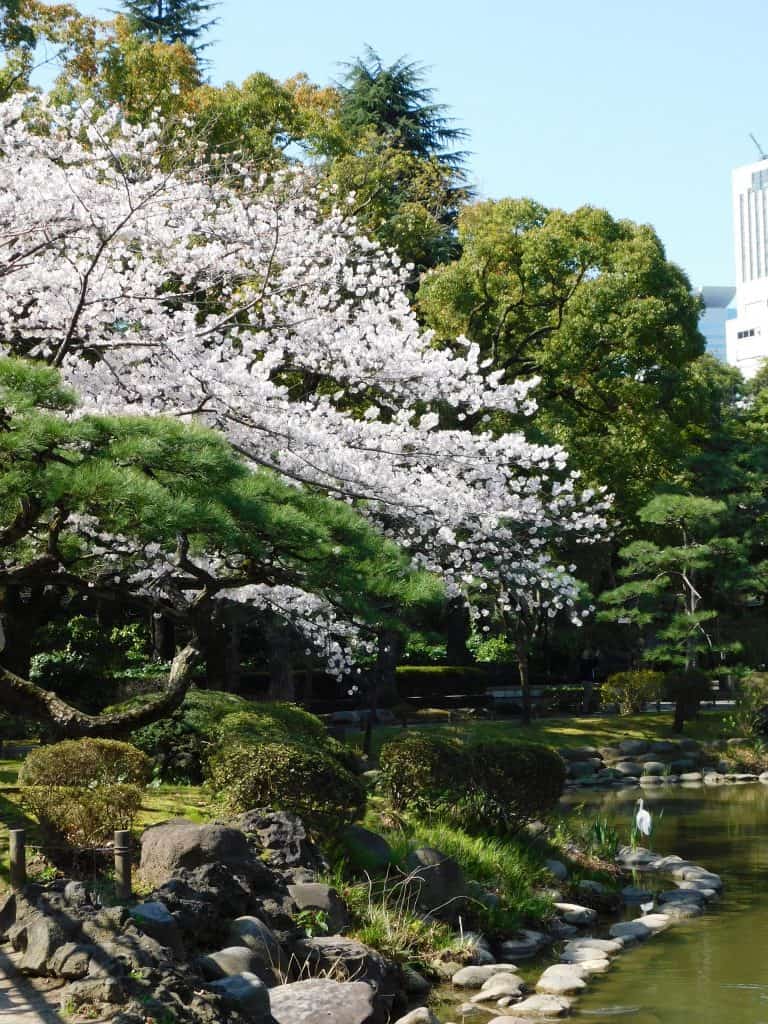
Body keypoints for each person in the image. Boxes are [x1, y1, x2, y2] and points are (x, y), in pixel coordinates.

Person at [579, 647, 600, 713]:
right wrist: (596, 656)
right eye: (585, 652)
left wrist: (596, 656)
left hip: (588, 680)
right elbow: (593, 664)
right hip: (587, 680)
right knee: (588, 695)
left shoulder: (587, 661)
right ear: (583, 654)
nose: (587, 653)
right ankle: (585, 710)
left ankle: (587, 709)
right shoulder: (583, 661)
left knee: (588, 695)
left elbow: (594, 664)